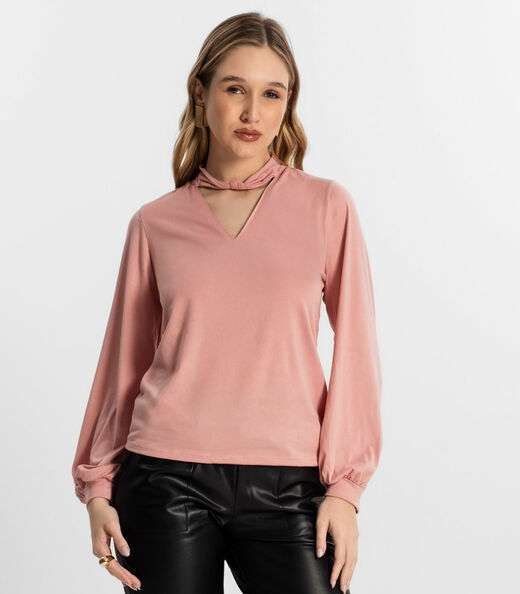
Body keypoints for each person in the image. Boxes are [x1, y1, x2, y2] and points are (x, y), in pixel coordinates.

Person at [71, 11, 382, 594]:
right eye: (235, 89)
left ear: (288, 105)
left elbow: (358, 351)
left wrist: (345, 490)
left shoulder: (326, 207)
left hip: (290, 483)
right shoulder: (155, 224)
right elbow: (123, 363)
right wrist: (97, 486)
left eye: (272, 94)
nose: (252, 113)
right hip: (164, 479)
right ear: (201, 92)